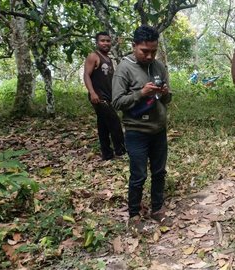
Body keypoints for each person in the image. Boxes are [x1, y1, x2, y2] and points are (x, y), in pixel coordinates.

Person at [112, 25, 172, 228]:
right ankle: (134, 215)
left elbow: (167, 100)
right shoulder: (124, 69)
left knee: (159, 171)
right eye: (144, 51)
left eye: (153, 51)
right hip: (136, 131)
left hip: (158, 129)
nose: (149, 56)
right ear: (134, 46)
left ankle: (157, 209)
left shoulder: (159, 67)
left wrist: (164, 94)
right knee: (138, 174)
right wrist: (141, 93)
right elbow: (117, 102)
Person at [83, 31, 126, 160]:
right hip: (98, 96)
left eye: (108, 41)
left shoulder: (108, 59)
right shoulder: (93, 56)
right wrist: (92, 93)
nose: (106, 43)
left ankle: (107, 154)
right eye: (102, 41)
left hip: (108, 96)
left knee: (103, 125)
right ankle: (121, 151)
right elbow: (86, 75)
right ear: (97, 43)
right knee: (115, 123)